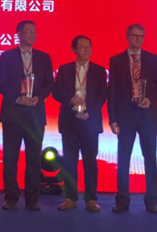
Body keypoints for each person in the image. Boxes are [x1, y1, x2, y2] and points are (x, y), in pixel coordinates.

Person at [0, 20, 54, 211]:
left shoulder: (44, 57)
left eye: (34, 32)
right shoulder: (7, 56)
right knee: (10, 159)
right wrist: (17, 98)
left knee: (33, 159)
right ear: (19, 34)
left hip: (35, 114)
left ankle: (32, 199)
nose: (32, 34)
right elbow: (1, 82)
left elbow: (49, 83)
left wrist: (38, 97)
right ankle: (11, 198)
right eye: (28, 31)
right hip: (13, 114)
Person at [108, 24, 157, 213]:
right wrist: (113, 118)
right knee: (123, 159)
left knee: (150, 158)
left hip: (147, 116)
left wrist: (150, 99)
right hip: (125, 116)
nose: (138, 39)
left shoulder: (152, 59)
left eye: (141, 36)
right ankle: (122, 201)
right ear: (127, 37)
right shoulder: (116, 60)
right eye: (134, 35)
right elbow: (112, 91)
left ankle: (152, 201)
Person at [52, 35, 108, 212]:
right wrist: (70, 99)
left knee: (90, 163)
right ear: (74, 50)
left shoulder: (99, 70)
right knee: (69, 162)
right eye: (82, 47)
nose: (87, 50)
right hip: (69, 121)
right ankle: (70, 198)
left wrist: (89, 112)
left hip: (90, 122)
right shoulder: (65, 69)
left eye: (89, 46)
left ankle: (91, 199)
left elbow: (102, 95)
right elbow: (56, 92)